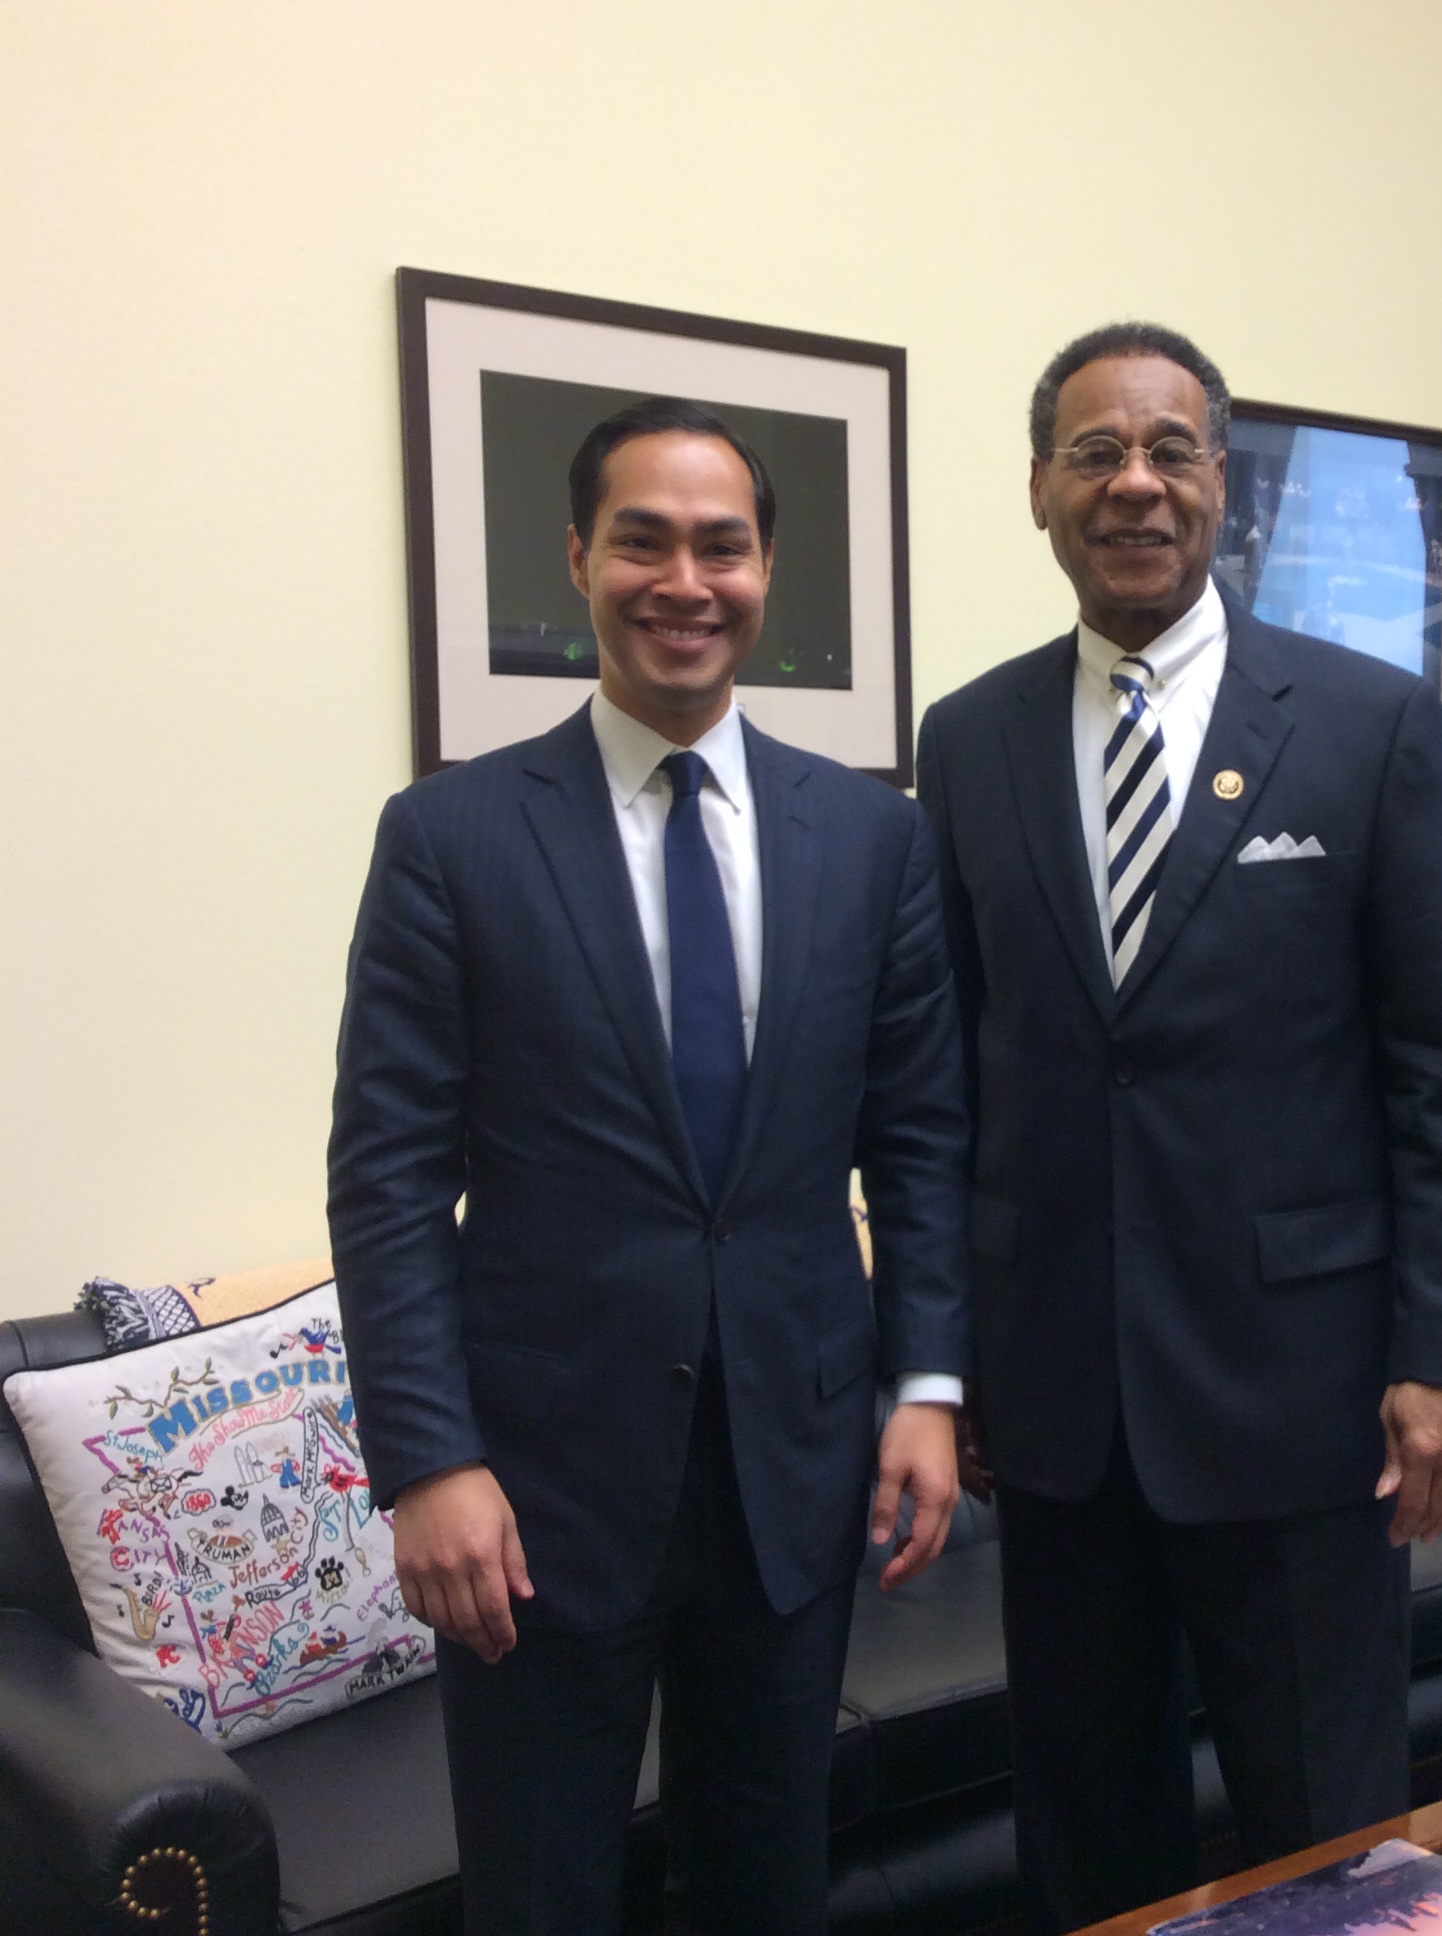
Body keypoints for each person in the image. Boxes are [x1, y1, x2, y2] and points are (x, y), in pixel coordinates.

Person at [328, 397, 972, 1936]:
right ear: (579, 557)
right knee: (541, 1894)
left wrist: (930, 1388)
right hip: (533, 1493)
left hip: (795, 1472)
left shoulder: (873, 840)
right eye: (645, 540)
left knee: (766, 1886)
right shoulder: (451, 837)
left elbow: (925, 1138)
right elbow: (389, 1176)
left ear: (766, 573)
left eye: (723, 546)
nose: (686, 580)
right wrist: (428, 1462)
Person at [916, 323, 1442, 1932]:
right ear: (1039, 491)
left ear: (1220, 488)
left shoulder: (1366, 725)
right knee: (1090, 1835)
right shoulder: (964, 743)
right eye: (1093, 453)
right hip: (1056, 1412)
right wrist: (950, 1352)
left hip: (1303, 1399)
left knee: (1331, 1844)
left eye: (1169, 451)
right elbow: (956, 1082)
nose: (1133, 484)